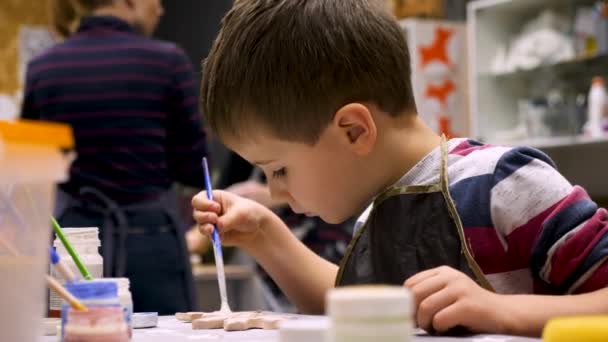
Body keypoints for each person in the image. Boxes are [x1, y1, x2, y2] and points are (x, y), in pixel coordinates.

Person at [191, 0, 608, 336]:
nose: (276, 192)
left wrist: (501, 311)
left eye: (278, 170)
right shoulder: (379, 210)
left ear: (354, 131)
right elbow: (347, 304)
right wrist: (264, 235)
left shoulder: (503, 183)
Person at [22, 0, 209, 314]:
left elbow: (33, 172)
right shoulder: (168, 62)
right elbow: (194, 168)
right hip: (152, 245)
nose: (160, 9)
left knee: (74, 332)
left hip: (73, 246)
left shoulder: (44, 67)